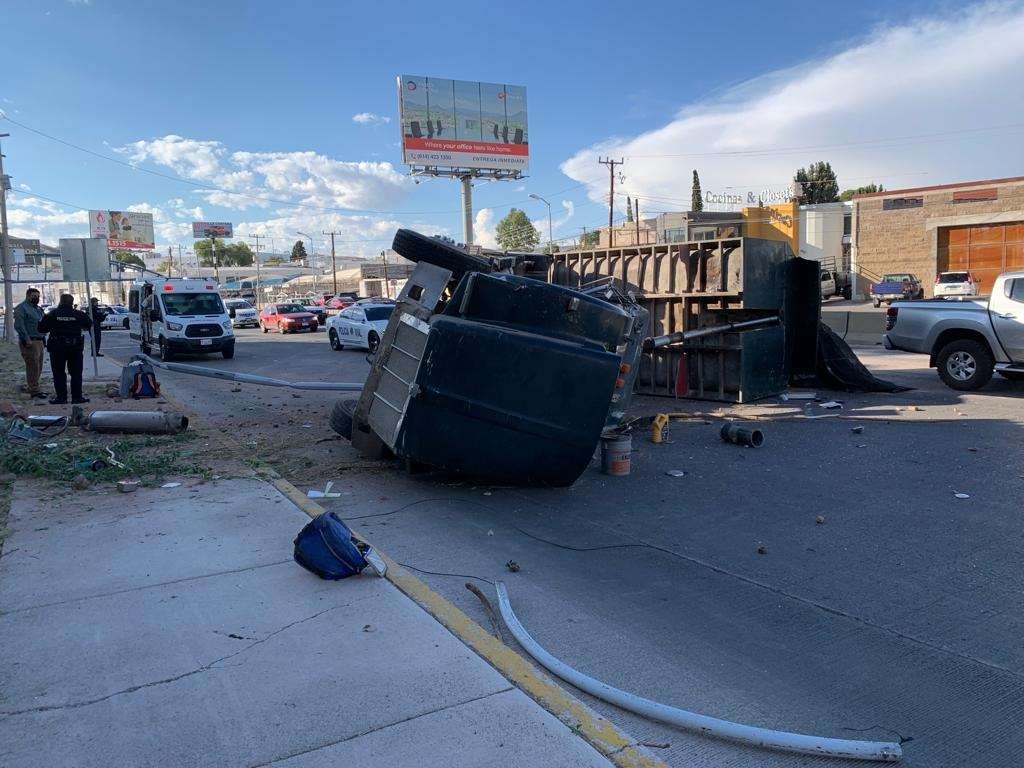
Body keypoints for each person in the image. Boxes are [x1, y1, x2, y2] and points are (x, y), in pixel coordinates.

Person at [38, 293, 92, 405]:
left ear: (60, 302)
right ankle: (77, 397)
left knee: (58, 373)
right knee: (76, 373)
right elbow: (88, 325)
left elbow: (41, 329)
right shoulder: (78, 314)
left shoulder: (53, 314)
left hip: (57, 348)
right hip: (75, 348)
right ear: (72, 303)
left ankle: (61, 398)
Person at [13, 287, 49, 400]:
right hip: (30, 341)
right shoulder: (22, 308)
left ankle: (34, 387)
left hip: (39, 340)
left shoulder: (37, 309)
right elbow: (19, 325)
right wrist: (26, 339)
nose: (36, 298)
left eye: (38, 296)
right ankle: (33, 390)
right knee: (32, 366)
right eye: (34, 296)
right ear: (28, 296)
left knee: (38, 366)